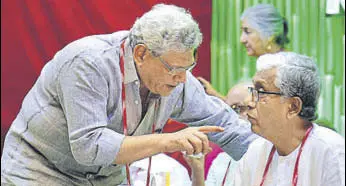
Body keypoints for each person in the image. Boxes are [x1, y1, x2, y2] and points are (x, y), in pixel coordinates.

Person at [1, 4, 257, 185]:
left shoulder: (178, 79)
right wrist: (170, 141)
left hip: (105, 180)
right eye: (174, 69)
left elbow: (225, 124)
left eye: (188, 67)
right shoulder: (88, 63)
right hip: (40, 173)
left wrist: (274, 157)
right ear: (141, 54)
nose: (182, 79)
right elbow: (89, 146)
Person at [188, 52, 345, 186]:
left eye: (260, 92)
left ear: (293, 107)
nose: (250, 102)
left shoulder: (329, 150)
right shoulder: (256, 151)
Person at [197, 3, 289, 101]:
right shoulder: (269, 66)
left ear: (271, 35)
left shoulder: (283, 70)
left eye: (248, 32)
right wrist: (214, 95)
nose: (242, 39)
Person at [204, 81, 253, 186]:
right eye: (228, 110)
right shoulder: (221, 160)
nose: (230, 116)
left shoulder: (272, 153)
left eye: (237, 108)